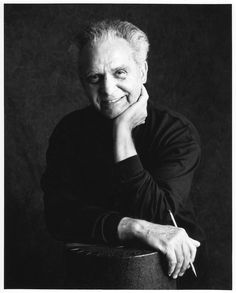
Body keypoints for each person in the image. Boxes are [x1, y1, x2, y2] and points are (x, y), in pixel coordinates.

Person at [41, 19, 209, 289]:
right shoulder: (69, 132)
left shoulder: (176, 132)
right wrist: (134, 227)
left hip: (167, 275)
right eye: (94, 78)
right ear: (83, 82)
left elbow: (163, 220)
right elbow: (59, 217)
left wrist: (122, 133)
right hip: (91, 275)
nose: (107, 90)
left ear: (142, 71)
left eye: (119, 72)